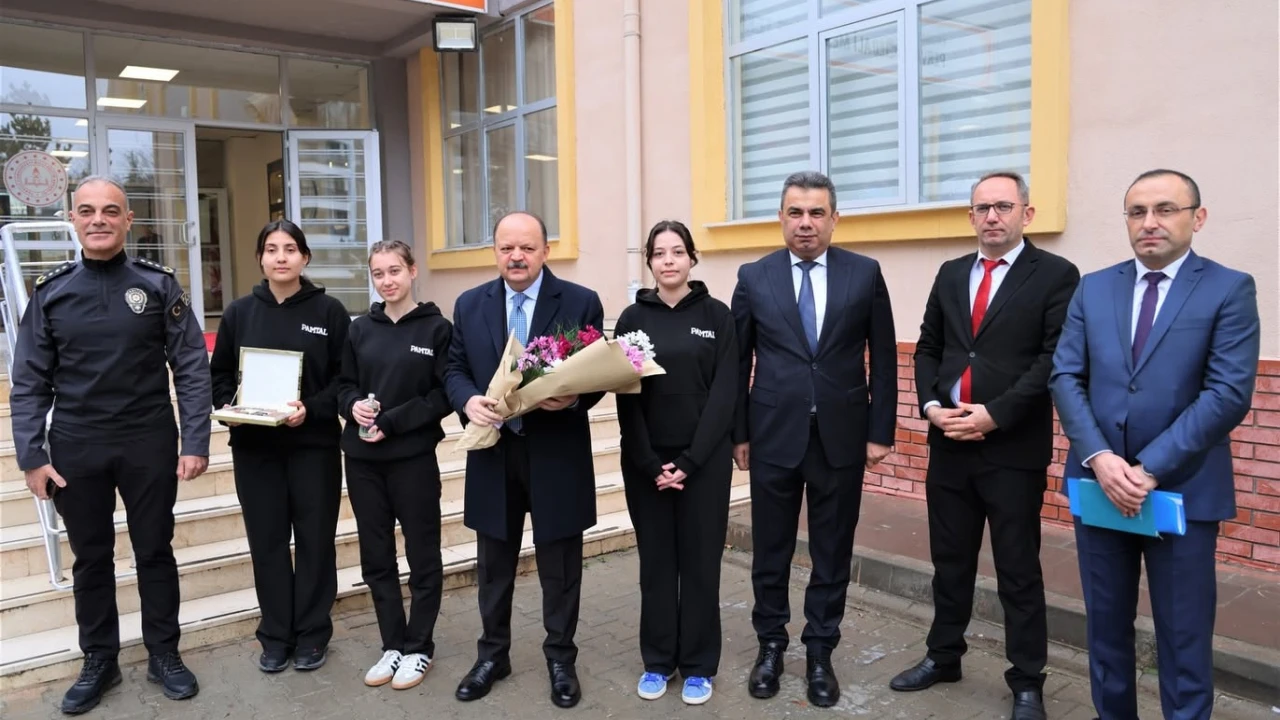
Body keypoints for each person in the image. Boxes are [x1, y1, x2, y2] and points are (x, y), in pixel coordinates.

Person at [1050, 169, 1259, 720]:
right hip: (1101, 487)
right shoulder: (1094, 287)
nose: (1150, 222)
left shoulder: (1228, 288)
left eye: (1165, 209)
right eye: (1137, 211)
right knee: (1105, 631)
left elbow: (1227, 394)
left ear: (1197, 218)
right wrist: (1100, 459)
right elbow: (1066, 376)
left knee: (1184, 637)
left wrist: (1148, 470)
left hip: (1181, 490)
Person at [10, 175, 211, 714]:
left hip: (148, 440)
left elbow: (191, 365)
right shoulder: (51, 292)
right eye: (87, 211)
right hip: (77, 445)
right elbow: (29, 381)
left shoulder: (159, 285)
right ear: (72, 219)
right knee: (91, 558)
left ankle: (164, 654)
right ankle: (100, 659)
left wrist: (195, 440)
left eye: (110, 211)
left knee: (154, 551)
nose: (98, 219)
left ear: (128, 220)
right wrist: (32, 455)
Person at [891, 172, 1080, 720]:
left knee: (1017, 570)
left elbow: (1052, 359)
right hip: (949, 441)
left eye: (1003, 206)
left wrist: (994, 415)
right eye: (982, 208)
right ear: (970, 216)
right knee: (949, 562)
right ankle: (943, 656)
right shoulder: (952, 273)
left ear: (1027, 213)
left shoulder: (1056, 275)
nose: (992, 216)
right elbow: (929, 347)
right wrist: (932, 407)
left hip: (1011, 450)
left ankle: (1027, 680)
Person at [731, 170, 898, 708]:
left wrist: (880, 431)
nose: (806, 223)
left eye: (816, 213)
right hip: (772, 437)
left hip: (841, 438)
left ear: (834, 218)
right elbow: (737, 362)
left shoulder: (864, 273)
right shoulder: (754, 276)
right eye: (796, 213)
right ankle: (771, 646)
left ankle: (821, 651)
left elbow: (885, 356)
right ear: (781, 218)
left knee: (832, 551)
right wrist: (739, 433)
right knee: (770, 550)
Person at [444, 210, 605, 709]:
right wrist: (467, 400)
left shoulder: (580, 301)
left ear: (545, 251)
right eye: (507, 248)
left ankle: (561, 658)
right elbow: (454, 367)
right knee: (493, 566)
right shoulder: (470, 304)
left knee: (560, 566)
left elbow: (599, 371)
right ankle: (493, 655)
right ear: (495, 251)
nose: (516, 257)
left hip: (557, 453)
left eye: (527, 248)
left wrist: (574, 398)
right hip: (494, 453)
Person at [209, 219, 351, 674]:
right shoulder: (239, 313)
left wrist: (312, 408)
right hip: (255, 449)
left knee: (315, 542)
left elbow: (345, 380)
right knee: (267, 543)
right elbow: (219, 375)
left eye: (290, 248)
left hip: (313, 446)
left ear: (305, 257)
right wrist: (230, 407)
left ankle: (312, 635)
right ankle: (275, 636)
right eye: (271, 249)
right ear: (260, 259)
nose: (281, 257)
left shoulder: (329, 312)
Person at [614, 220, 738, 706]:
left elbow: (724, 394)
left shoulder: (717, 316)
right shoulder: (631, 318)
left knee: (702, 564)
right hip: (646, 465)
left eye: (677, 251)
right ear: (649, 261)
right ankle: (658, 661)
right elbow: (626, 397)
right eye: (659, 253)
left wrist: (690, 460)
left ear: (692, 258)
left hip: (704, 464)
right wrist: (649, 463)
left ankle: (699, 666)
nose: (668, 260)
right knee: (657, 565)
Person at [336, 240, 453, 690]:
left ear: (412, 271)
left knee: (422, 554)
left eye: (394, 271)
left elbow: (442, 395)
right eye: (378, 273)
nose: (387, 281)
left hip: (412, 459)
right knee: (377, 556)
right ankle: (393, 644)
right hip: (363, 460)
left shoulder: (437, 329)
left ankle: (419, 646)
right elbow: (343, 384)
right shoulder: (360, 329)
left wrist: (392, 421)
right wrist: (353, 407)